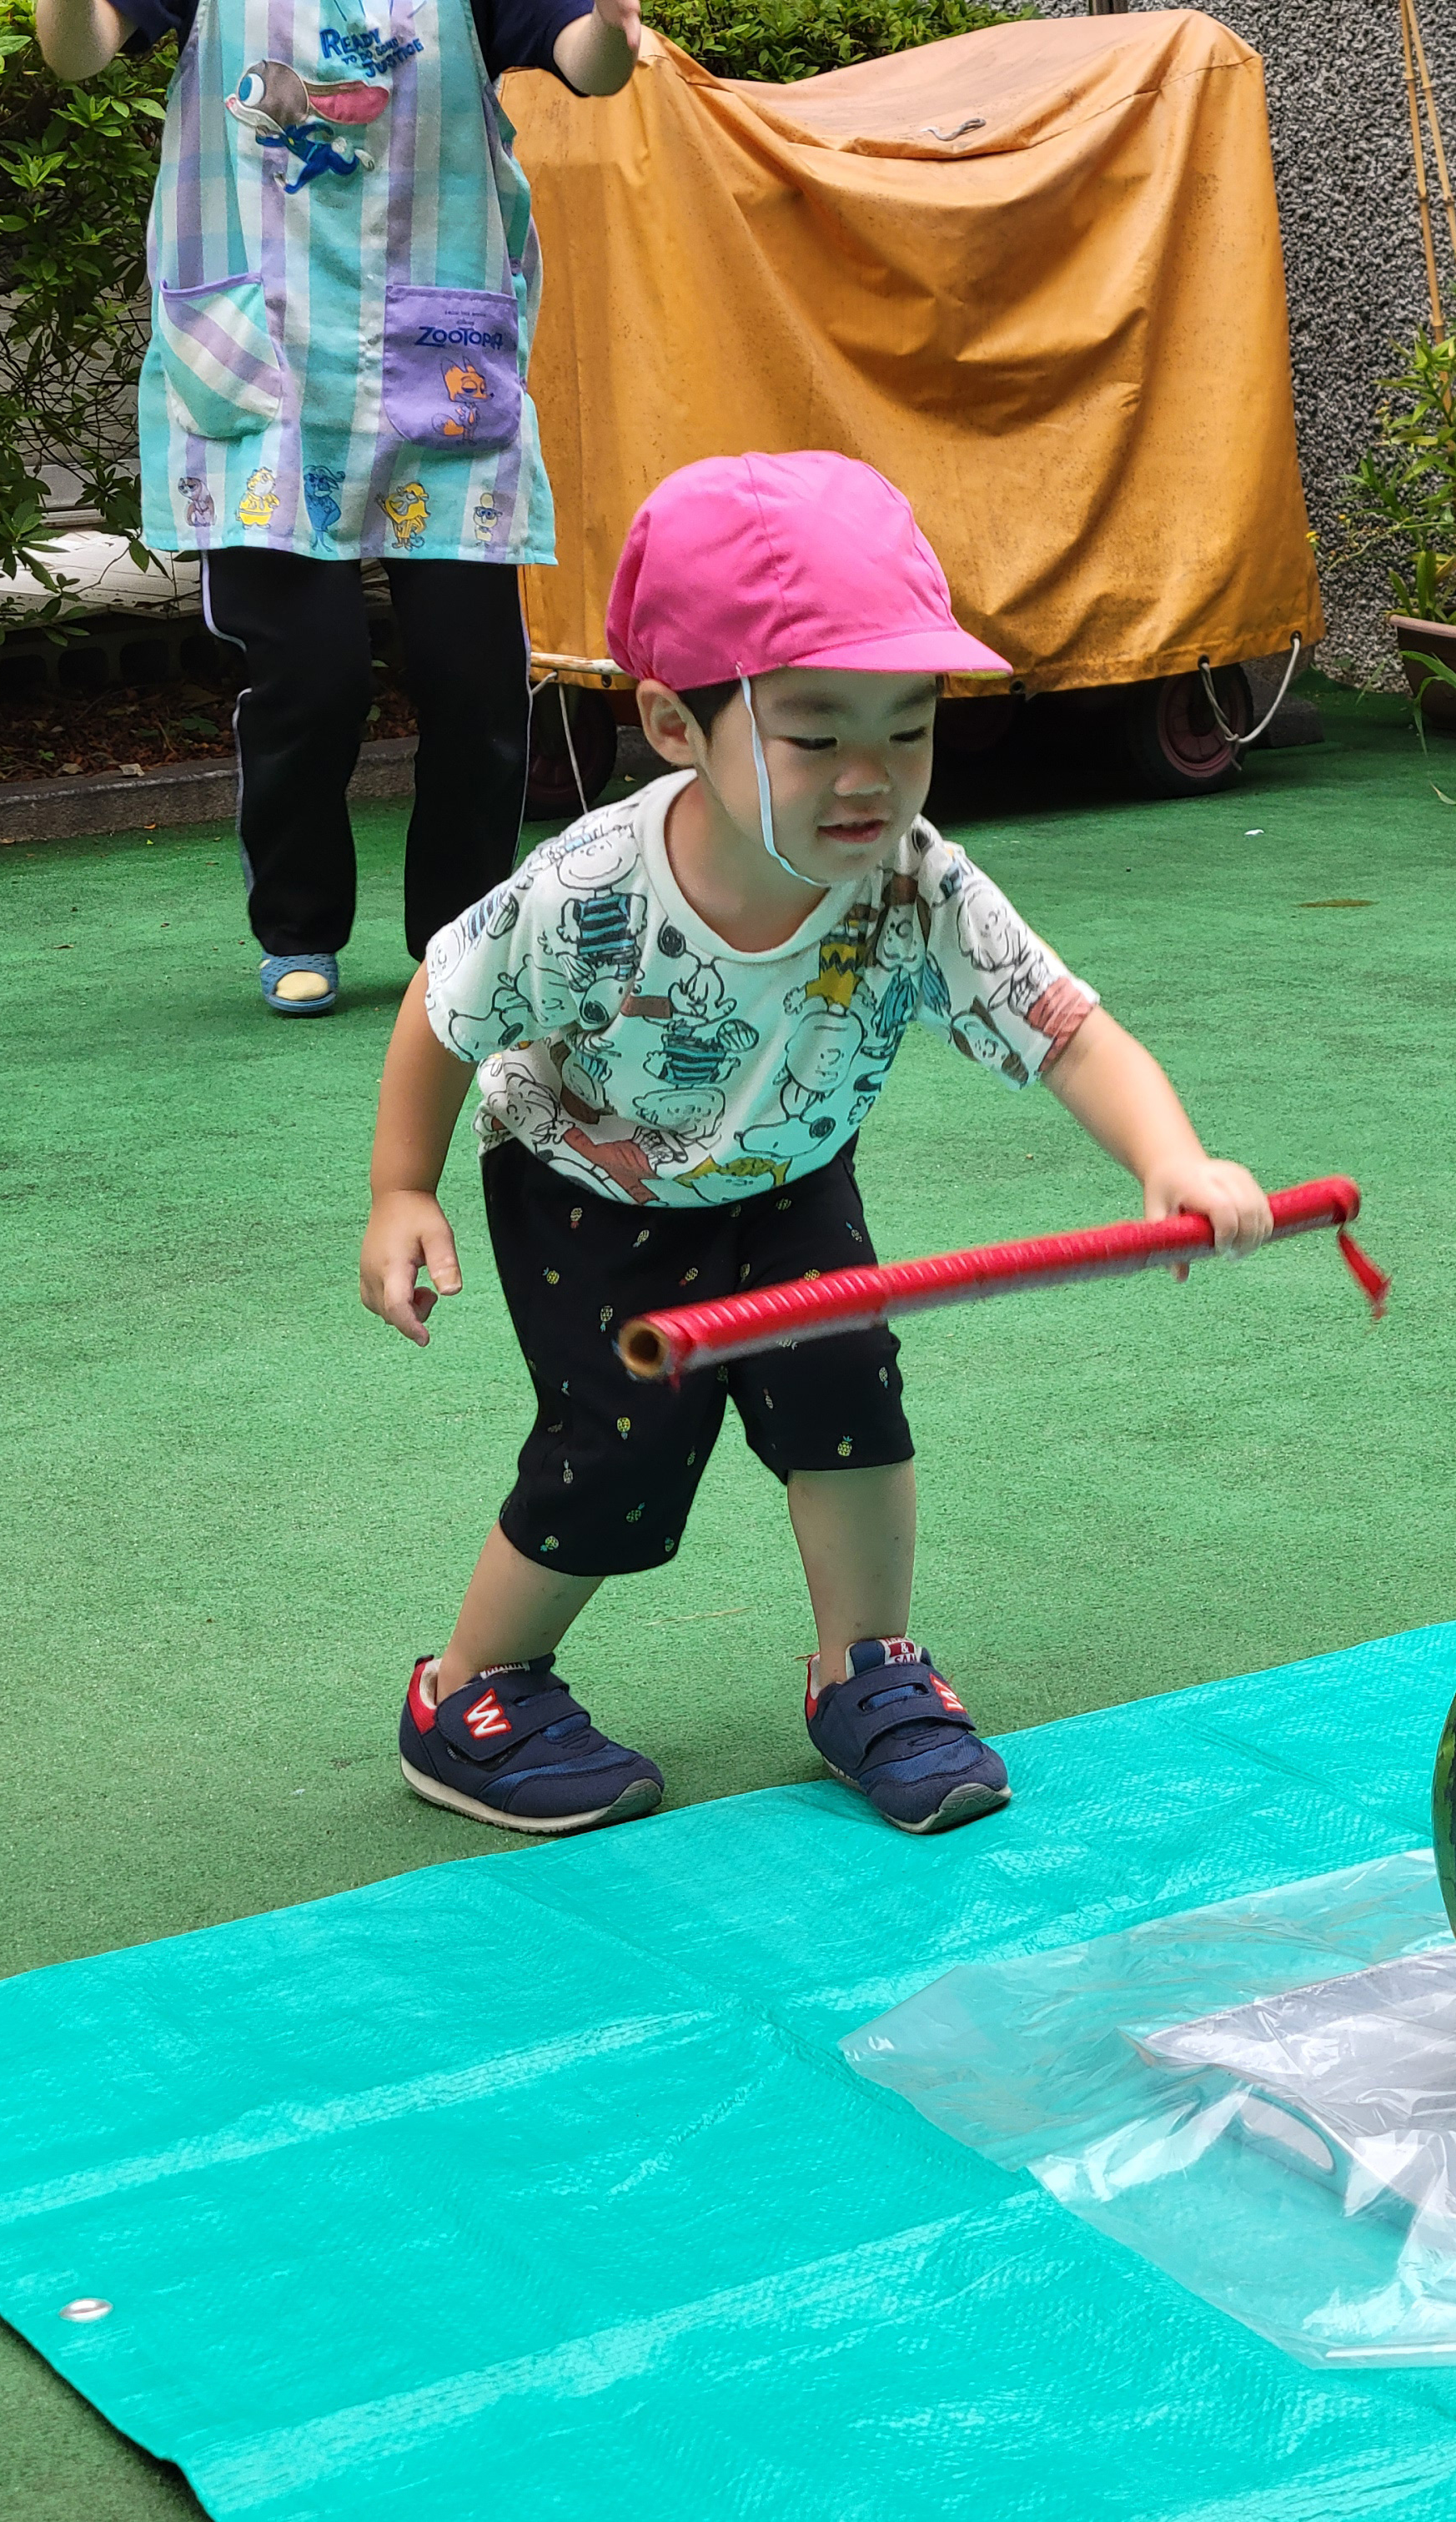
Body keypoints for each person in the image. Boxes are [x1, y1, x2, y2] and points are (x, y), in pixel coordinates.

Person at [355, 452, 1273, 1837]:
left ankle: (865, 1667)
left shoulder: (914, 879)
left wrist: (1173, 1157)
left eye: (907, 728)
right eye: (813, 734)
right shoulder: (591, 890)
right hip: (587, 1183)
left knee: (849, 1396)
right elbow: (445, 998)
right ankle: (469, 1691)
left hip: (789, 1172)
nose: (869, 777)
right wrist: (400, 1187)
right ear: (676, 723)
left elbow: (1068, 1030)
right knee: (621, 1445)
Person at [32, 0, 643, 1016]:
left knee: (475, 684)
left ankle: (464, 937)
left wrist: (616, 23)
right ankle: (299, 927)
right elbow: (79, 51)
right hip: (266, 370)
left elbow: (593, 63)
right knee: (310, 680)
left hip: (438, 360)